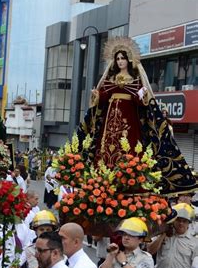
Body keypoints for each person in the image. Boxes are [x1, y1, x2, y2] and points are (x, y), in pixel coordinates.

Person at [77, 37, 197, 194]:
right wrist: (96, 95)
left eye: (123, 58)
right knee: (105, 148)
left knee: (129, 147)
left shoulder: (135, 80)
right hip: (109, 122)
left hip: (129, 121)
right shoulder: (110, 79)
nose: (120, 62)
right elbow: (104, 96)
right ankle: (103, 178)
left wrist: (141, 95)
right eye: (117, 59)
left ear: (129, 60)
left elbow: (142, 102)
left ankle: (130, 178)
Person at [147, 203, 198, 268]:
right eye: (178, 220)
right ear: (173, 221)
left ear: (189, 223)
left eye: (184, 221)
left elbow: (196, 267)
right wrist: (163, 234)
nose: (181, 223)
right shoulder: (163, 233)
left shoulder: (195, 242)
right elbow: (150, 251)